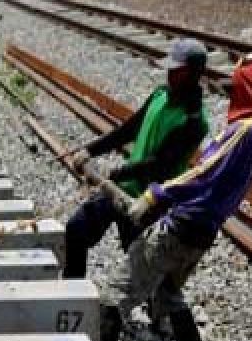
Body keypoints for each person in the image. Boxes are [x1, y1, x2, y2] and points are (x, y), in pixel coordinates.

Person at [96, 54, 252, 341]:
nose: (232, 93)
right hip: (203, 231)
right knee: (168, 293)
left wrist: (154, 196)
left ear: (249, 90)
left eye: (238, 86)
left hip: (182, 224)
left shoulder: (242, 131)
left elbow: (202, 173)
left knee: (117, 292)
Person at [63, 38, 211, 279]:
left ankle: (163, 314)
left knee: (144, 270)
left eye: (177, 71)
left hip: (149, 202)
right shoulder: (160, 95)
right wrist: (90, 150)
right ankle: (72, 296)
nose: (169, 75)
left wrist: (116, 173)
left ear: (193, 74)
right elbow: (129, 130)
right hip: (121, 188)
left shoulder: (193, 121)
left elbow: (160, 165)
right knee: (76, 230)